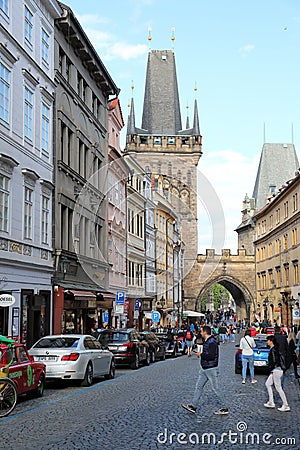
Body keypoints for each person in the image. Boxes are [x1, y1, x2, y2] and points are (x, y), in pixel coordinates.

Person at [181, 325, 229, 415]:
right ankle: (193, 405)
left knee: (216, 388)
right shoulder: (207, 341)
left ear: (205, 332)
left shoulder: (212, 342)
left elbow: (211, 356)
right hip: (205, 368)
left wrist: (201, 354)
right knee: (199, 387)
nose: (200, 333)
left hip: (211, 368)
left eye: (201, 331)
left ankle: (224, 407)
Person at [264, 335, 290, 412]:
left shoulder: (273, 349)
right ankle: (271, 402)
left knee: (278, 388)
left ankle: (285, 405)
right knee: (268, 384)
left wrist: (270, 367)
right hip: (275, 370)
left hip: (276, 370)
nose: (267, 342)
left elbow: (274, 361)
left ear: (271, 341)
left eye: (267, 340)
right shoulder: (274, 348)